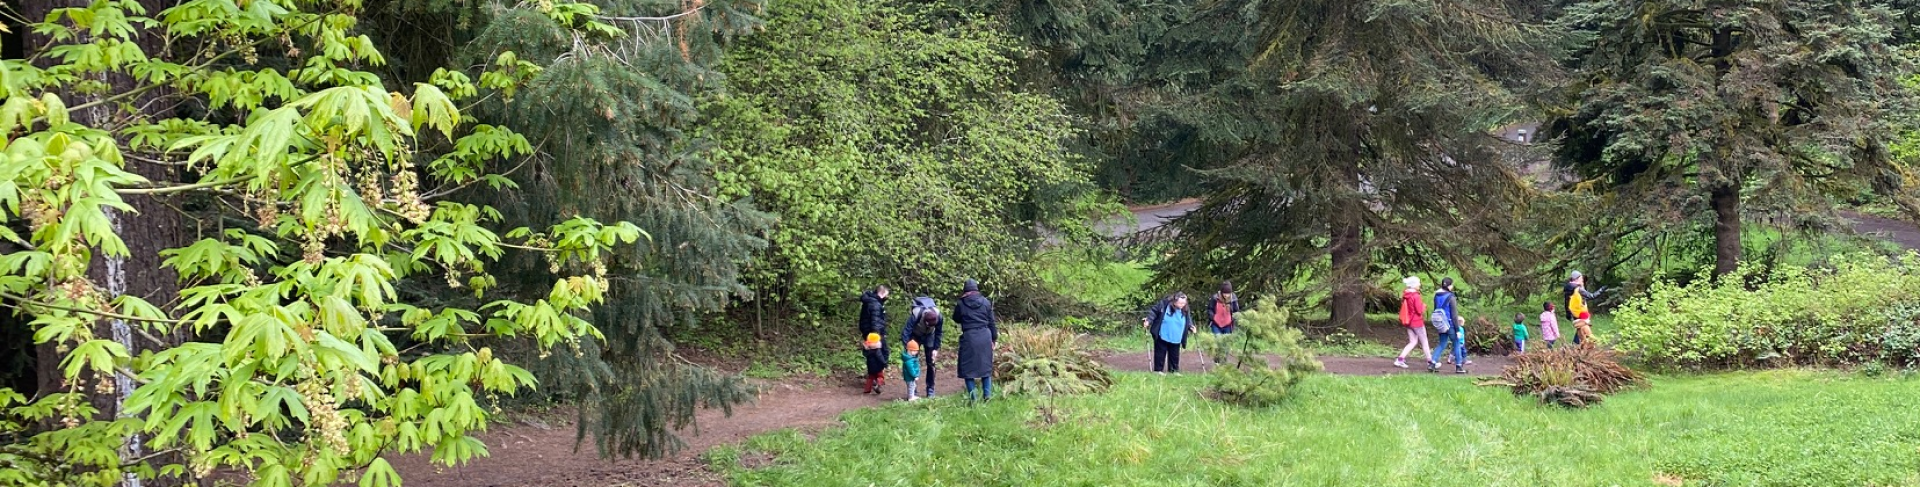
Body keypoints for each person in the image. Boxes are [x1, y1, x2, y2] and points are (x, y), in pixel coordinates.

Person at [953, 280, 998, 403]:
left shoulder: (961, 304)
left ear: (965, 291)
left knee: (967, 370)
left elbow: (956, 318)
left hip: (969, 337)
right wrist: (994, 338)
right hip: (985, 336)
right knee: (986, 368)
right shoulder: (985, 302)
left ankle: (973, 399)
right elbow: (992, 322)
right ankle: (987, 396)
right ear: (977, 289)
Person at [900, 297, 943, 399]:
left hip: (930, 336)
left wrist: (935, 349)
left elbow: (939, 333)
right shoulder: (916, 315)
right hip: (916, 335)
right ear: (925, 322)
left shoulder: (939, 317)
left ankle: (930, 390)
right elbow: (906, 332)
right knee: (912, 361)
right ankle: (913, 391)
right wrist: (908, 347)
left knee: (931, 363)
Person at [1144, 292, 1196, 373]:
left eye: (1184, 303)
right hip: (1163, 333)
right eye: (1180, 303)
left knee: (1174, 354)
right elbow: (1153, 312)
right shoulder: (1164, 304)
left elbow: (1188, 319)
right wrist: (1148, 321)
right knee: (1160, 353)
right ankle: (1158, 370)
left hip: (1177, 335)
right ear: (1175, 302)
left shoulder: (1185, 308)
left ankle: (1173, 371)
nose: (1182, 305)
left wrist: (1191, 326)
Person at [1427, 278, 1466, 373]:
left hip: (1441, 324)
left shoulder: (1436, 295)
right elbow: (1454, 315)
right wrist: (1457, 330)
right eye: (1452, 285)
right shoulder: (1451, 297)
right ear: (1449, 286)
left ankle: (1432, 363)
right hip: (1450, 324)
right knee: (1456, 343)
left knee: (1442, 344)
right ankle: (1459, 366)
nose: (1452, 287)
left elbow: (1436, 309)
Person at [858, 286, 891, 394]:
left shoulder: (869, 300)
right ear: (882, 293)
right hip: (874, 334)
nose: (887, 297)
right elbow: (875, 321)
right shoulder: (875, 304)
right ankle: (879, 380)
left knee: (870, 354)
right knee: (881, 352)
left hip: (867, 332)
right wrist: (877, 337)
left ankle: (872, 381)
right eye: (886, 295)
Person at [1395, 276, 1431, 369]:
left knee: (1413, 341)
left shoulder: (1406, 295)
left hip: (1408, 321)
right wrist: (1424, 307)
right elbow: (1419, 310)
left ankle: (1400, 359)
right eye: (1418, 283)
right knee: (1424, 341)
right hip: (1417, 321)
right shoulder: (1416, 296)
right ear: (1414, 285)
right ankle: (1430, 361)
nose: (1420, 284)